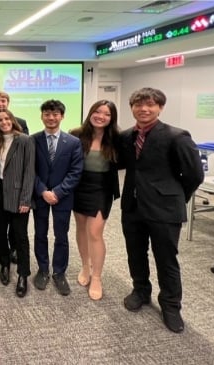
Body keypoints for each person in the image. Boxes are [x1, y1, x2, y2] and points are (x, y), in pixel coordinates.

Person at [118, 88, 203, 333]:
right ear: (132, 107)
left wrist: (174, 196)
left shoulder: (177, 136)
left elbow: (194, 175)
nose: (144, 109)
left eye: (150, 105)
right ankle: (141, 291)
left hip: (164, 210)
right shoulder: (126, 136)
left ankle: (171, 305)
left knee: (166, 259)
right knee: (135, 253)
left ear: (160, 108)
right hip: (132, 208)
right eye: (138, 105)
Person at [69, 100, 121, 301]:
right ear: (91, 113)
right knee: (81, 228)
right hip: (79, 186)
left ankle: (97, 277)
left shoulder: (117, 138)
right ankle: (85, 267)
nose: (101, 116)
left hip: (102, 188)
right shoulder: (76, 134)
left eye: (106, 114)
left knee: (95, 231)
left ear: (111, 118)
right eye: (97, 112)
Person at [32, 99, 83, 296]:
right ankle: (43, 269)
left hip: (63, 197)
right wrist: (43, 190)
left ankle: (59, 272)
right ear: (42, 116)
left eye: (55, 114)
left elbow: (75, 172)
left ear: (62, 116)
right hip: (40, 195)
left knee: (61, 236)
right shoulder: (33, 140)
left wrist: (58, 192)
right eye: (47, 114)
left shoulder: (73, 142)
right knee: (40, 233)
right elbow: (31, 170)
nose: (51, 118)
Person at [0, 109, 35, 297]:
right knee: (0, 232)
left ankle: (23, 274)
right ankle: (4, 264)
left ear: (13, 119)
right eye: (0, 119)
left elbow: (30, 172)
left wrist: (26, 199)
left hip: (18, 196)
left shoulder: (24, 140)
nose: (4, 122)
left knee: (20, 236)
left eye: (7, 118)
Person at [0, 91, 29, 260]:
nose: (0, 104)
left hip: (15, 180)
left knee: (15, 219)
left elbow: (25, 150)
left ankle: (14, 247)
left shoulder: (21, 122)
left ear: (8, 102)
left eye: (3, 101)